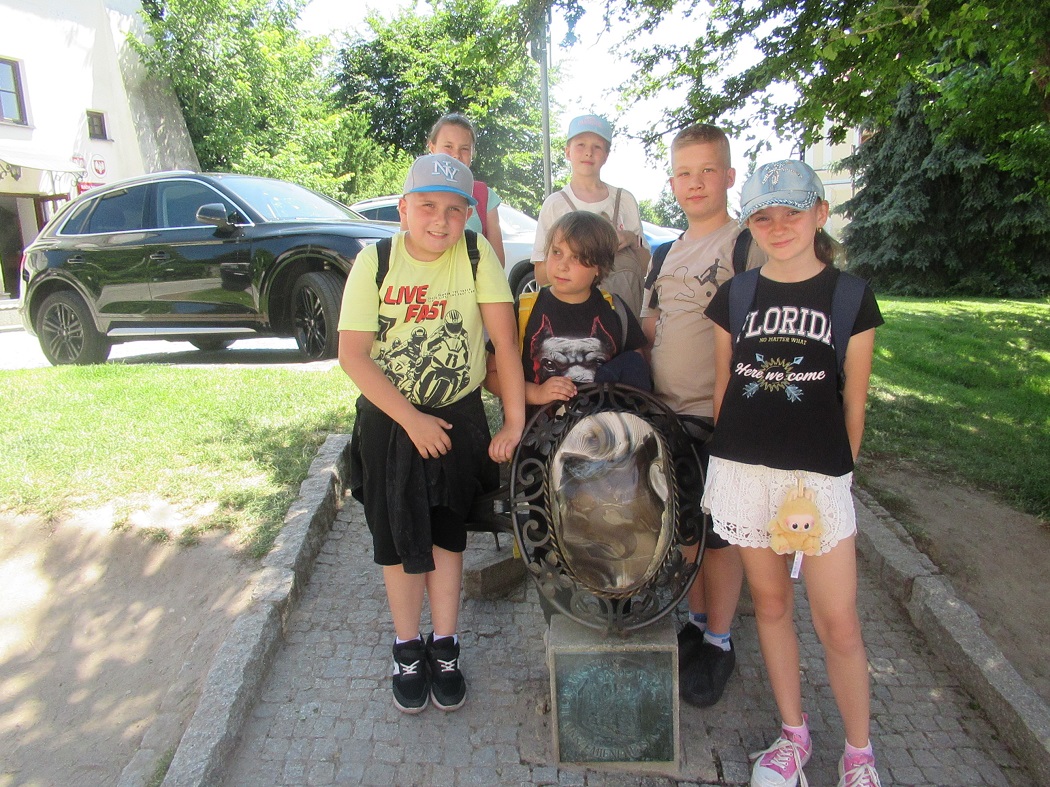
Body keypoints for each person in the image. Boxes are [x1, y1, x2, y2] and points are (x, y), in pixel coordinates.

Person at [702, 159, 884, 787]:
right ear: (749, 226)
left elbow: (853, 406)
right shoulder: (737, 296)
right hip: (746, 474)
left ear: (820, 214)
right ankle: (792, 735)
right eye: (764, 218)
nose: (778, 227)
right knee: (773, 604)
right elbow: (724, 390)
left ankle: (859, 754)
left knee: (838, 620)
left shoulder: (850, 297)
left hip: (817, 482)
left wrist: (838, 482)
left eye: (793, 213)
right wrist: (729, 461)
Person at [338, 153, 526, 715]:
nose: (440, 221)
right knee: (395, 538)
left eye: (453, 210)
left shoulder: (475, 254)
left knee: (447, 535)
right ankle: (406, 647)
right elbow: (353, 355)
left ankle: (444, 645)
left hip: (457, 417)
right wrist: (411, 420)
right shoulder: (374, 262)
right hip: (390, 421)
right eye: (426, 206)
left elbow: (505, 344)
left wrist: (514, 421)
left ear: (467, 214)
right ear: (403, 209)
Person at [641, 123, 765, 709]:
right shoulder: (663, 254)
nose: (695, 183)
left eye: (707, 171)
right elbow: (650, 327)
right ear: (672, 183)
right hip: (665, 418)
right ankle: (694, 622)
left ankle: (719, 639)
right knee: (685, 525)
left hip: (723, 420)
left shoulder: (746, 246)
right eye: (684, 173)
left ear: (729, 177)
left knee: (720, 537)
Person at [486, 210, 649, 406]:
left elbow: (636, 374)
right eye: (557, 252)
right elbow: (492, 374)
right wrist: (535, 393)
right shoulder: (524, 310)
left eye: (577, 257)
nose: (562, 265)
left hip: (603, 424)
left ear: (599, 266)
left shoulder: (617, 311)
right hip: (539, 424)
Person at [530, 114, 649, 313]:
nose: (588, 153)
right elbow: (541, 276)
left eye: (597, 147)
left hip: (623, 317)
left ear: (606, 155)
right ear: (567, 151)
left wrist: (630, 239)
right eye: (581, 145)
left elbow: (645, 268)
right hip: (572, 317)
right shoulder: (555, 205)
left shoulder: (624, 200)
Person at [427, 113, 506, 266]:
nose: (456, 155)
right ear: (432, 147)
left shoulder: (484, 196)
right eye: (448, 146)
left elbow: (497, 263)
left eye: (464, 149)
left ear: (472, 153)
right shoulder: (416, 192)